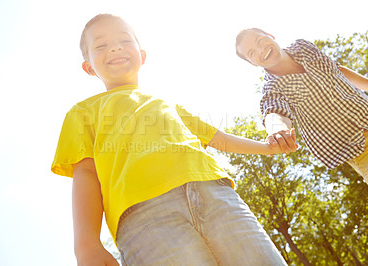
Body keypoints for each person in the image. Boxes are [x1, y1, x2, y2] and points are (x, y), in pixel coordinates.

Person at [51, 14, 290, 265]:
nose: (115, 47)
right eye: (101, 45)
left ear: (142, 56)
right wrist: (86, 245)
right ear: (89, 66)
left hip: (216, 194)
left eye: (124, 39)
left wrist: (267, 148)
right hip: (144, 215)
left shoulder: (165, 103)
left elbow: (217, 138)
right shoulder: (83, 112)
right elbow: (86, 172)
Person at [235, 28, 368, 208]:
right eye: (252, 53)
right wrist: (278, 131)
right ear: (252, 63)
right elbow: (274, 112)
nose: (260, 50)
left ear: (270, 36)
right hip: (365, 147)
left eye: (259, 41)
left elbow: (336, 69)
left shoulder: (303, 47)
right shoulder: (273, 89)